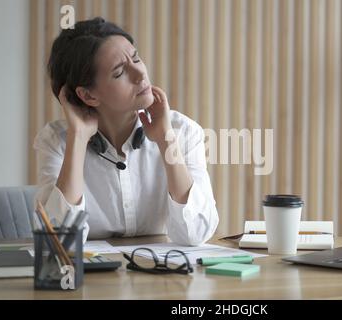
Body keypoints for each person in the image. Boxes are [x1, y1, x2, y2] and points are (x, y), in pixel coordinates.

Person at [33, 17, 219, 245]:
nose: (140, 74)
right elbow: (60, 242)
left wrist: (165, 139)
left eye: (136, 59)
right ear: (88, 95)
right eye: (120, 72)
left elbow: (196, 234)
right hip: (91, 280)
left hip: (162, 277)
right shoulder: (55, 141)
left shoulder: (183, 131)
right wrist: (78, 138)